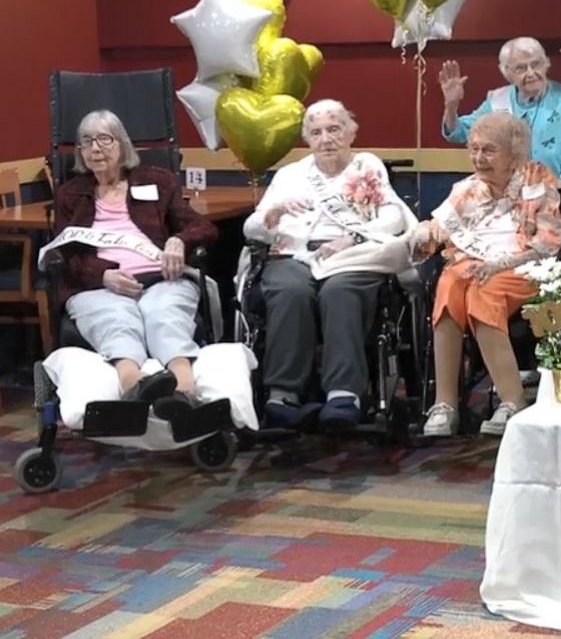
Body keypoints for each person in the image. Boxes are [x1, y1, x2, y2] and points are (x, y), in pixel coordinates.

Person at [243, 100, 416, 430]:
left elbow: (393, 217)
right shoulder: (289, 175)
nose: (326, 139)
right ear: (307, 139)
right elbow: (251, 229)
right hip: (295, 254)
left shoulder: (367, 167)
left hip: (352, 255)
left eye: (334, 129)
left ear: (352, 132)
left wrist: (354, 237)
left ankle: (344, 393)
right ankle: (283, 394)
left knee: (340, 291)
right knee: (290, 290)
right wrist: (274, 213)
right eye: (317, 132)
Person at [47, 110, 216, 420]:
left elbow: (202, 227)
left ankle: (184, 391)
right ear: (81, 151)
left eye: (104, 139)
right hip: (99, 287)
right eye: (87, 141)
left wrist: (178, 241)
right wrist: (103, 275)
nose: (95, 148)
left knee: (164, 316)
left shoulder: (157, 181)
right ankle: (134, 386)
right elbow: (64, 254)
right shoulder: (71, 194)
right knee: (116, 321)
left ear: (122, 145)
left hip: (161, 278)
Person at [413, 113, 561, 438]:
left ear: (514, 152)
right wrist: (423, 232)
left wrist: (500, 264)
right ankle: (445, 404)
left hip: (523, 267)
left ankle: (512, 400)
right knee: (450, 284)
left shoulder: (538, 180)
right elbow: (437, 231)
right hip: (472, 265)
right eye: (474, 149)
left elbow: (548, 242)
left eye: (489, 150)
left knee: (484, 289)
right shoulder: (466, 189)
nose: (479, 158)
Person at [439, 37, 561, 210]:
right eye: (521, 68)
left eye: (536, 64)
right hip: (505, 202)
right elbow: (461, 132)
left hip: (554, 197)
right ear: (507, 73)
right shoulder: (497, 99)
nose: (531, 73)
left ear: (547, 64)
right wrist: (451, 106)